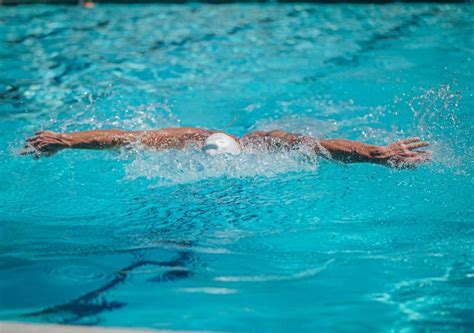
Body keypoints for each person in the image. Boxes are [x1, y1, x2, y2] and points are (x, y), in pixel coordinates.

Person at [21, 127, 431, 169]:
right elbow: (126, 137)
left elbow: (325, 147)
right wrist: (68, 142)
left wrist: (375, 153)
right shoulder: (189, 137)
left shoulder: (268, 143)